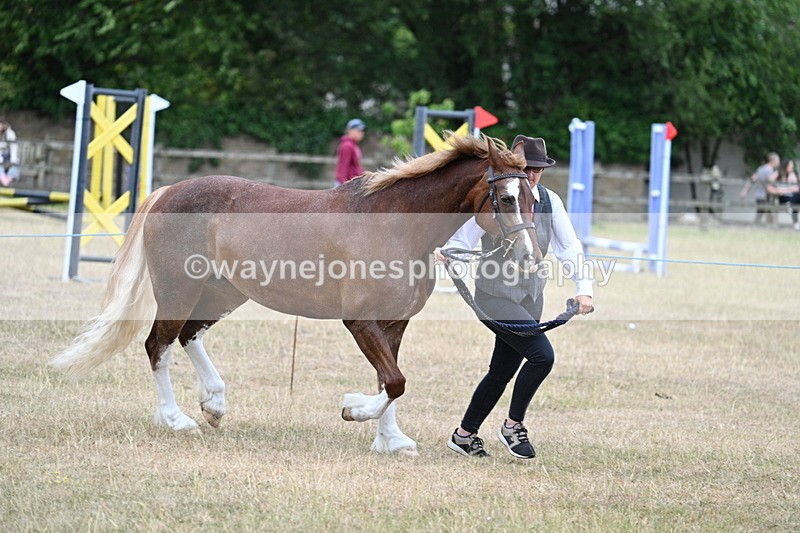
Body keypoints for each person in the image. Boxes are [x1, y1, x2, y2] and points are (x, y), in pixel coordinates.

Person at [434, 136, 594, 459]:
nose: (531, 175)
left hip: (531, 297)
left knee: (502, 371)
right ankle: (512, 426)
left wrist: (584, 288)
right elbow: (463, 238)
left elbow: (569, 247)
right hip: (495, 296)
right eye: (526, 168)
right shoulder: (500, 196)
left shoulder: (551, 203)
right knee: (542, 356)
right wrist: (448, 253)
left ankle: (464, 435)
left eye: (537, 169)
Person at [739, 152, 780, 225]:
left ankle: (757, 226)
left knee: (760, 212)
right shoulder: (769, 169)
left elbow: (752, 179)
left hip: (759, 195)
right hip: (766, 195)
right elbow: (769, 182)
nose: (778, 163)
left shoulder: (760, 168)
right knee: (768, 212)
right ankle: (765, 227)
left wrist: (744, 190)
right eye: (778, 161)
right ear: (773, 161)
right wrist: (776, 176)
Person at [768, 159, 800, 230]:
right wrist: (776, 191)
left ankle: (795, 221)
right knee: (793, 200)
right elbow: (768, 186)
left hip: (792, 196)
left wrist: (786, 190)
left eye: (792, 165)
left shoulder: (793, 174)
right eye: (790, 165)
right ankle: (796, 223)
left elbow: (796, 188)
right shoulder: (778, 174)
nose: (791, 167)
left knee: (796, 197)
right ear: (785, 166)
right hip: (782, 197)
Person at [334, 118, 366, 186]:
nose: (361, 133)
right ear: (350, 131)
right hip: (347, 184)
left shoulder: (354, 145)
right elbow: (343, 166)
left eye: (362, 131)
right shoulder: (347, 146)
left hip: (352, 183)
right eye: (358, 130)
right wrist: (342, 185)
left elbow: (356, 165)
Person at [0, 118, 20, 187]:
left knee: (14, 170)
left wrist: (13, 161)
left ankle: (6, 182)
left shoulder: (10, 134)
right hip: (1, 160)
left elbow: (14, 148)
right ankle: (4, 181)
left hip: (10, 159)